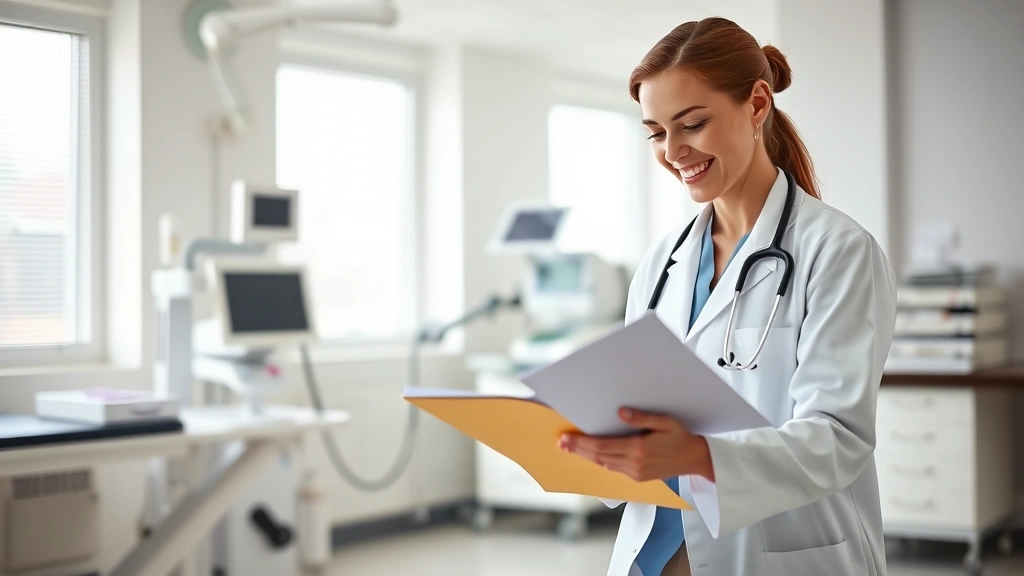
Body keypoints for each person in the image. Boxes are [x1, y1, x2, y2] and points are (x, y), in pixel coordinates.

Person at [558, 17, 897, 576]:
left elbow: (838, 437)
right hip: (659, 554)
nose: (672, 150)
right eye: (655, 132)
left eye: (692, 123)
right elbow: (641, 409)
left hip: (784, 554)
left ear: (757, 104)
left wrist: (697, 454)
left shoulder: (837, 251)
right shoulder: (661, 265)